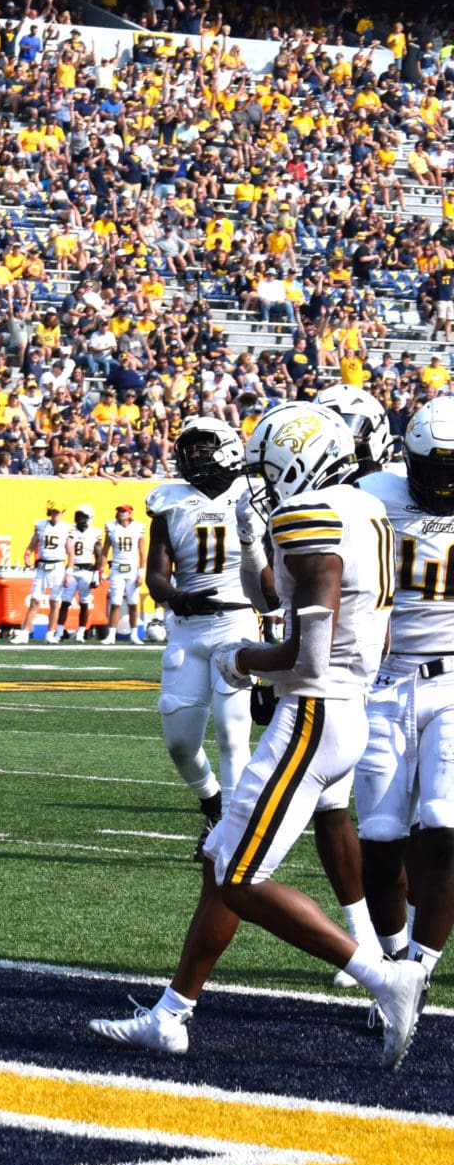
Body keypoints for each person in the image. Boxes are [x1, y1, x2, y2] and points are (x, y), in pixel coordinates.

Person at [92, 403, 429, 1068]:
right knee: (222, 853)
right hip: (348, 708)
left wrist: (240, 660)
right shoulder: (366, 509)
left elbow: (304, 652)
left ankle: (383, 976)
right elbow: (321, 611)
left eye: (271, 467)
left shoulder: (312, 514)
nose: (265, 482)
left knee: (239, 874)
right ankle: (172, 1013)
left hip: (313, 713)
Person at [355, 399, 454, 990]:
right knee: (381, 841)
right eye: (434, 468)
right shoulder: (373, 496)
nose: (444, 483)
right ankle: (393, 970)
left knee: (445, 827)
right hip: (383, 681)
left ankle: (417, 971)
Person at [143, 419, 260, 856]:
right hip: (187, 628)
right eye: (189, 450)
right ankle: (212, 804)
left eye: (204, 448)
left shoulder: (254, 496)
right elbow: (156, 574)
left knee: (233, 733)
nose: (195, 457)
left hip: (237, 624)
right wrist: (179, 598)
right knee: (179, 742)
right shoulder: (168, 502)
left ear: (228, 448)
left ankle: (233, 832)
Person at [50, 505, 106, 643]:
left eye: (83, 516)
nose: (79, 519)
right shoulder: (69, 530)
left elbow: (99, 554)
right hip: (72, 570)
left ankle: (81, 632)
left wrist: (97, 573)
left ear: (89, 518)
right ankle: (59, 631)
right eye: (78, 516)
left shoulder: (95, 532)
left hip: (87, 570)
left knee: (84, 603)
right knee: (65, 602)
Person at [14, 502, 68, 643]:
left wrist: (69, 572)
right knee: (34, 601)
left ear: (63, 512)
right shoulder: (41, 525)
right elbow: (32, 545)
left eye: (58, 511)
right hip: (43, 566)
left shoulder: (67, 528)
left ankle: (50, 634)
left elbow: (71, 553)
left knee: (55, 602)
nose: (55, 514)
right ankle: (24, 633)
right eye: (53, 511)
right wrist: (27, 556)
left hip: (58, 566)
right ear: (49, 512)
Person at [106, 504, 145, 644]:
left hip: (132, 569)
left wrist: (141, 573)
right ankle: (111, 635)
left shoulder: (138, 527)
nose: (121, 513)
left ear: (130, 513)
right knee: (115, 602)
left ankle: (134, 634)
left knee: (133, 603)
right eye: (119, 511)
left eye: (124, 511)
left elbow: (142, 552)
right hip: (117, 568)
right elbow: (106, 549)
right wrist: (101, 570)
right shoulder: (111, 527)